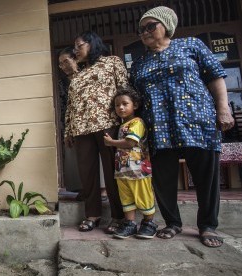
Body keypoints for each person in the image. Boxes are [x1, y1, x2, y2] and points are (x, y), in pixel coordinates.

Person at [130, 6, 234, 247]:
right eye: (141, 29)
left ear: (166, 27)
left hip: (197, 120)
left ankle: (208, 225)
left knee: (205, 176)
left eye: (150, 26)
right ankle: (173, 223)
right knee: (164, 179)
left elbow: (215, 76)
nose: (144, 32)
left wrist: (223, 108)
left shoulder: (191, 45)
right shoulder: (139, 64)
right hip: (159, 127)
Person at [64, 31, 126, 233]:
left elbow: (124, 90)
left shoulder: (112, 62)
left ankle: (118, 216)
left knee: (112, 172)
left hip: (107, 123)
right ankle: (93, 215)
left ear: (92, 44)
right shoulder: (78, 74)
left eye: (78, 46)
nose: (75, 51)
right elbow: (70, 105)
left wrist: (127, 122)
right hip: (81, 129)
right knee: (87, 175)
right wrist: (68, 131)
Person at [103, 87, 156, 239]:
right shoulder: (122, 125)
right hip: (123, 170)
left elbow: (130, 142)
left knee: (143, 196)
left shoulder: (137, 122)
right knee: (126, 198)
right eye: (117, 105)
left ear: (135, 105)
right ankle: (130, 224)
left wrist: (111, 142)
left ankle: (148, 223)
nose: (120, 107)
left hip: (138, 170)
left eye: (125, 104)